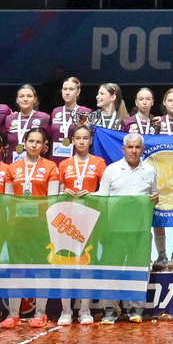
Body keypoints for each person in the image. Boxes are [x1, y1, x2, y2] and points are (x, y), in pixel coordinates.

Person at [0, 129, 61, 328]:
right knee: (16, 269)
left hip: (41, 226)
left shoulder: (51, 167)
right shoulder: (12, 169)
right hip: (18, 226)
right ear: (24, 142)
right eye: (31, 141)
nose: (34, 145)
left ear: (44, 146)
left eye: (38, 142)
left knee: (41, 269)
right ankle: (13, 313)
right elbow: (8, 200)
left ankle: (40, 312)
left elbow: (52, 199)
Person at [97, 132, 160, 322]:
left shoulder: (150, 171)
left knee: (139, 268)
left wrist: (156, 199)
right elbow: (101, 198)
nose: (133, 151)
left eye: (137, 147)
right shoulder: (111, 170)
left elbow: (154, 197)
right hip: (114, 229)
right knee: (111, 268)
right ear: (123, 149)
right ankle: (110, 309)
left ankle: (136, 308)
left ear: (143, 149)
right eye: (130, 147)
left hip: (140, 229)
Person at [59, 126, 107, 325]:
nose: (81, 141)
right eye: (78, 138)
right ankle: (65, 311)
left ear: (90, 140)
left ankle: (85, 310)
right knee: (66, 265)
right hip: (67, 221)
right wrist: (63, 193)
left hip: (90, 219)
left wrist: (92, 195)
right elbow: (56, 193)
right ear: (72, 140)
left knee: (86, 264)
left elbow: (105, 192)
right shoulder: (64, 164)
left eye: (85, 138)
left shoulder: (99, 163)